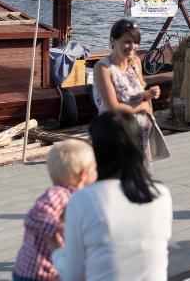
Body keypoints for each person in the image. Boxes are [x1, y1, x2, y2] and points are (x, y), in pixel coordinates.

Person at [49, 110, 172, 281]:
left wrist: (53, 243)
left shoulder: (82, 200)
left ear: (97, 150)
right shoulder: (161, 194)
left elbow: (72, 275)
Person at [13, 140, 97, 281]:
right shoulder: (59, 194)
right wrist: (62, 228)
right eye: (95, 169)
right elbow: (33, 217)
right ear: (84, 174)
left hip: (48, 269)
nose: (97, 172)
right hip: (38, 274)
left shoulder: (79, 195)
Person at [92, 18, 161, 175]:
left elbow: (136, 95)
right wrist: (142, 106)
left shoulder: (135, 62)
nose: (132, 47)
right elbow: (113, 108)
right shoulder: (103, 68)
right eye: (127, 42)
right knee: (116, 180)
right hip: (115, 133)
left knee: (139, 180)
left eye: (136, 42)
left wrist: (149, 94)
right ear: (113, 41)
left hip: (139, 132)